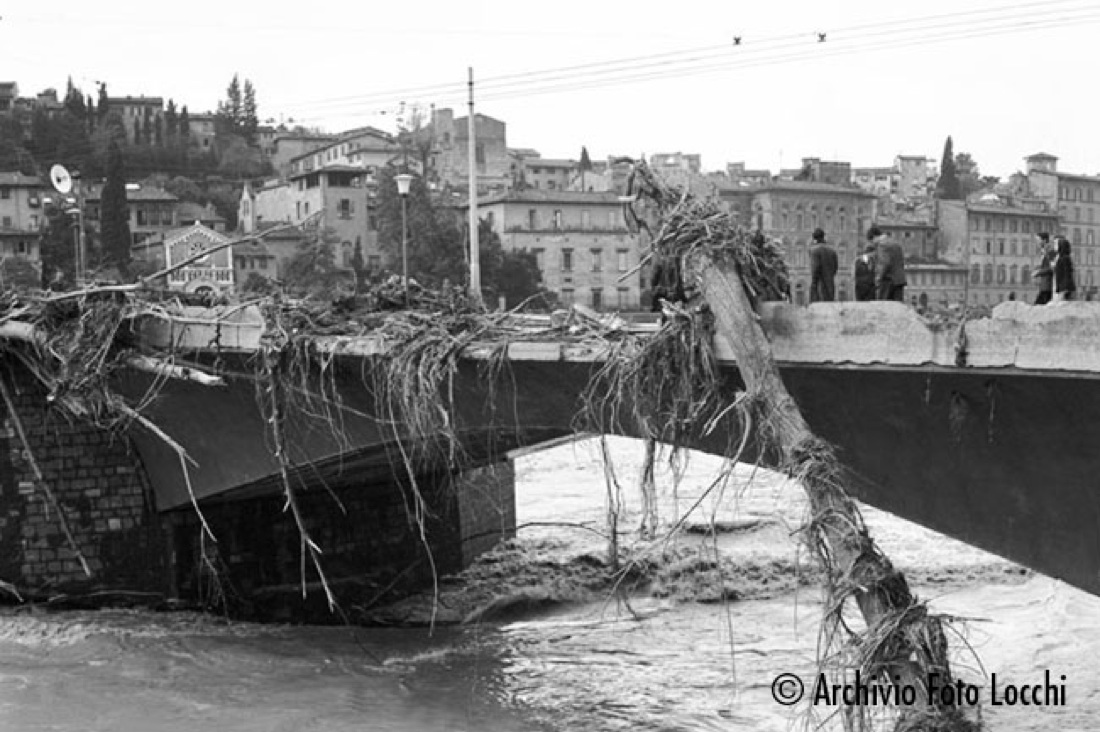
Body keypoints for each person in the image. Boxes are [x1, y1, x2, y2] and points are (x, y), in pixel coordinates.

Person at [869, 226, 907, 301]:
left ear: (874, 237)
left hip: (888, 281)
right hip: (900, 280)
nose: (872, 244)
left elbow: (885, 263)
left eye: (871, 241)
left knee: (884, 307)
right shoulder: (896, 244)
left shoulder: (882, 245)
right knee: (898, 307)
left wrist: (878, 278)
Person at [809, 228, 838, 302]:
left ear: (814, 239)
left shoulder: (814, 251)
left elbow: (815, 269)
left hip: (818, 287)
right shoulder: (832, 251)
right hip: (830, 285)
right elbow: (835, 268)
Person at [1052, 236, 1076, 302]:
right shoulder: (1060, 258)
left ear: (1061, 245)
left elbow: (1067, 273)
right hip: (1062, 287)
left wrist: (1066, 288)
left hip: (1065, 288)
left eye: (1056, 244)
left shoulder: (1065, 258)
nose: (1054, 246)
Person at [1032, 232, 1054, 305]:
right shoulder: (1044, 251)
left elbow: (1052, 268)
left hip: (1048, 286)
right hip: (1044, 286)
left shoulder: (1050, 251)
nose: (1037, 243)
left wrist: (1038, 272)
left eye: (1038, 240)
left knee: (1038, 306)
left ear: (1044, 241)